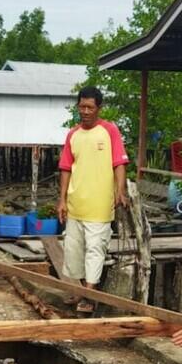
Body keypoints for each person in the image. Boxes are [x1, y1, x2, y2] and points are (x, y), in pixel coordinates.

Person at [57, 86, 129, 312]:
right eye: (82, 107)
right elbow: (66, 168)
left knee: (95, 249)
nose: (85, 111)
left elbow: (119, 163)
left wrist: (120, 190)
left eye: (90, 107)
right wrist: (62, 200)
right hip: (76, 202)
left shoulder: (109, 131)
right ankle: (79, 291)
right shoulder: (73, 134)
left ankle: (89, 294)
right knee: (73, 249)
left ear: (99, 108)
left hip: (99, 204)